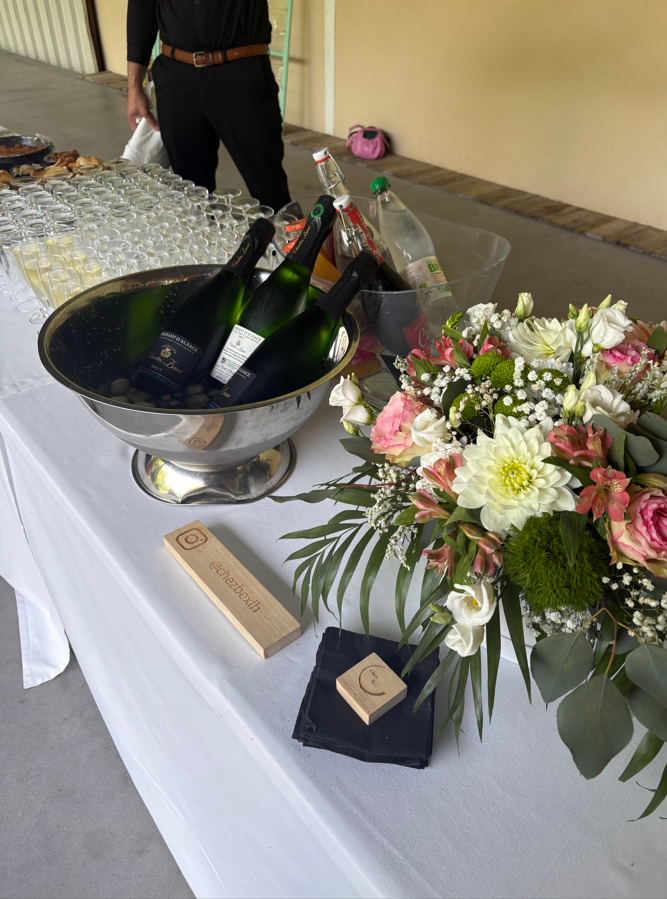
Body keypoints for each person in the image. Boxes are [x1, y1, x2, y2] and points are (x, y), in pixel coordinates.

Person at [126, 0, 291, 211]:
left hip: (242, 74)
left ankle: (292, 242)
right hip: (178, 77)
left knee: (270, 188)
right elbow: (142, 6)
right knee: (192, 194)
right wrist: (134, 86)